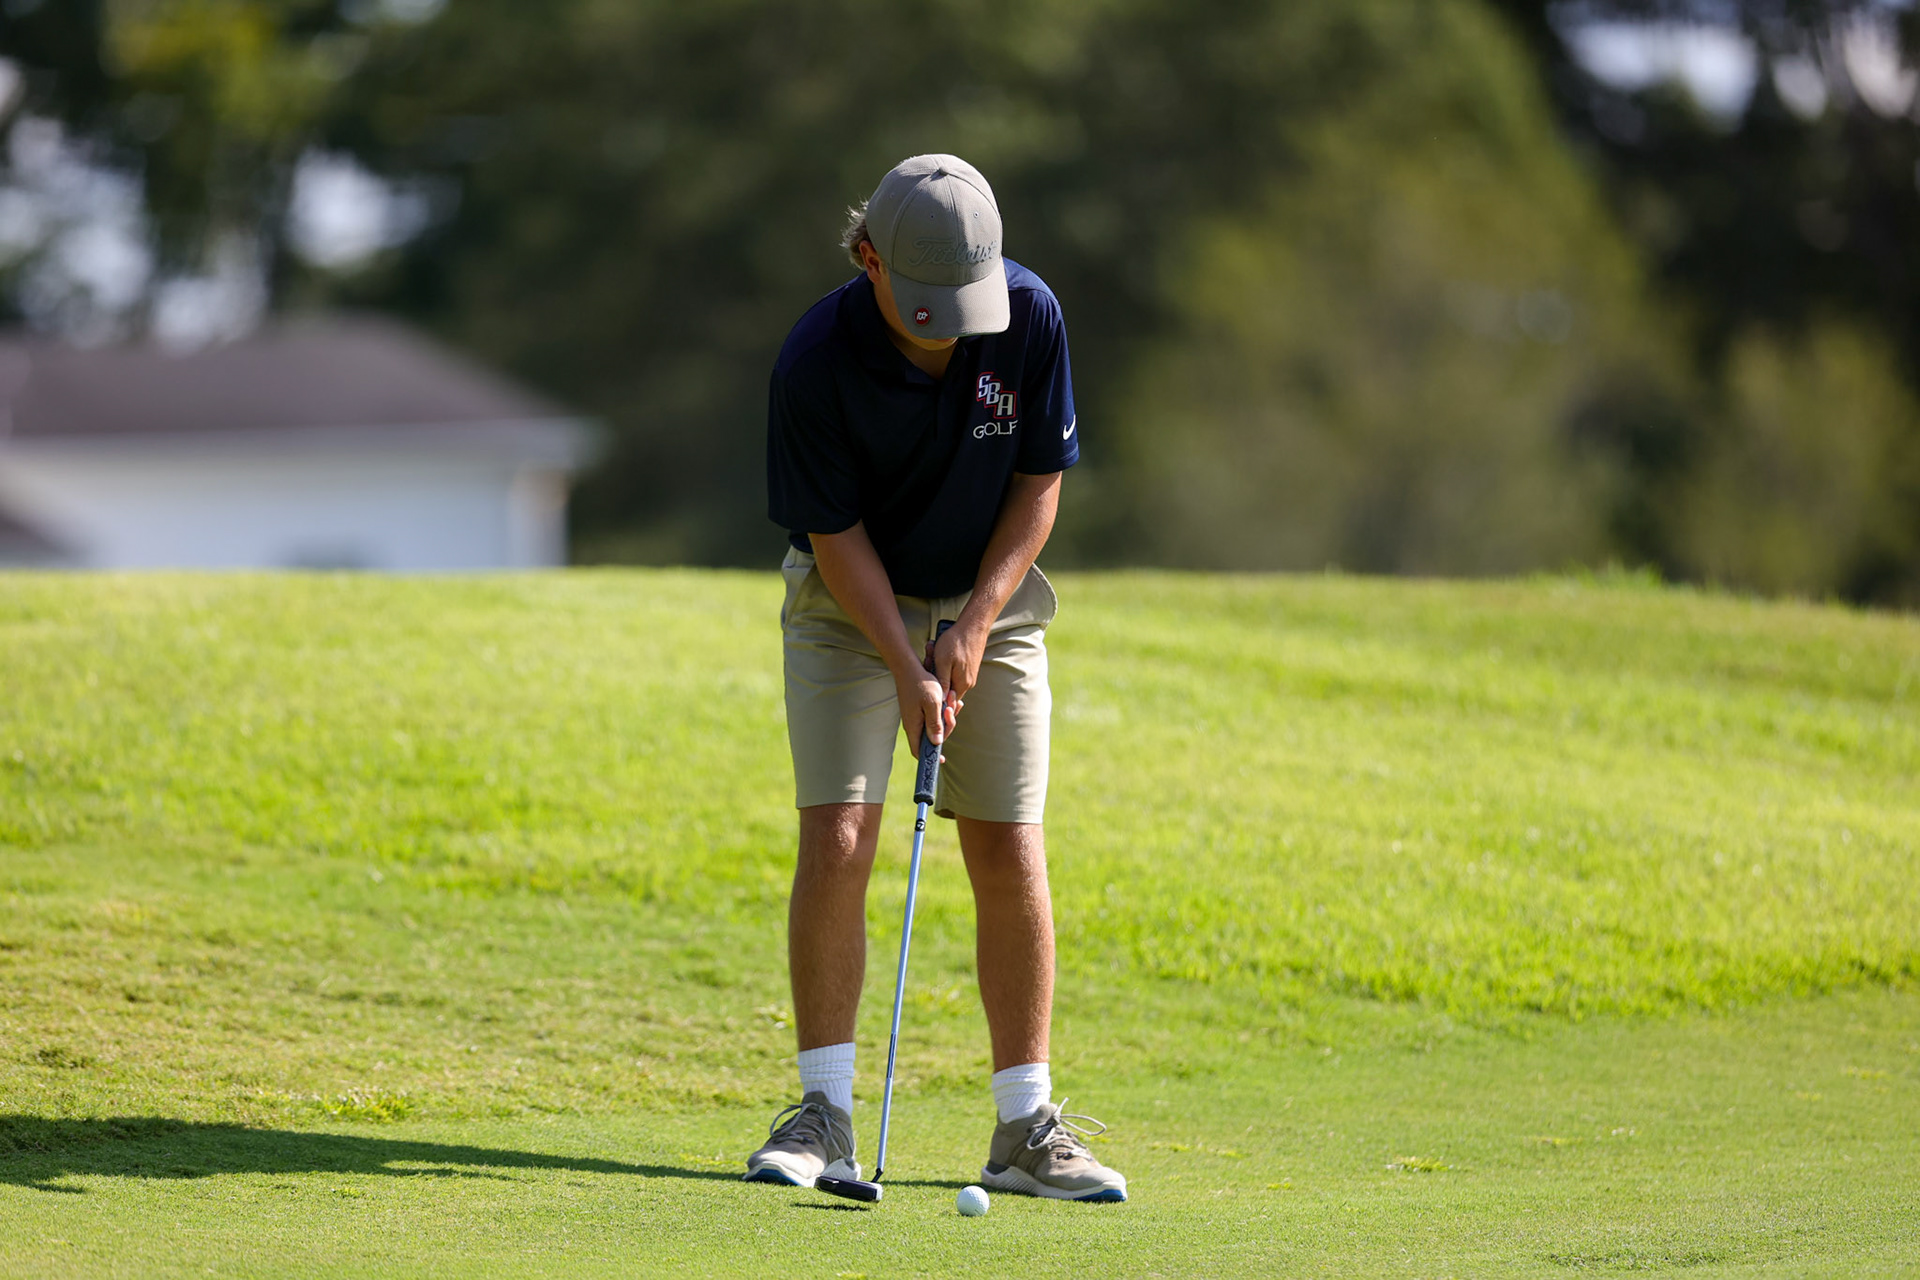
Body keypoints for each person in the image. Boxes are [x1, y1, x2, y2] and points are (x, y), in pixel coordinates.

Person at [745, 154, 1127, 1202]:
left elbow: (1039, 483)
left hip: (986, 599)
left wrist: (972, 628)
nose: (948, 330)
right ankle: (823, 1111)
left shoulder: (1031, 317)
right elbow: (833, 534)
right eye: (926, 311)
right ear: (867, 256)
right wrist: (906, 661)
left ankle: (1025, 1127)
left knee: (1007, 841)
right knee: (842, 831)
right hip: (846, 601)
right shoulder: (814, 359)